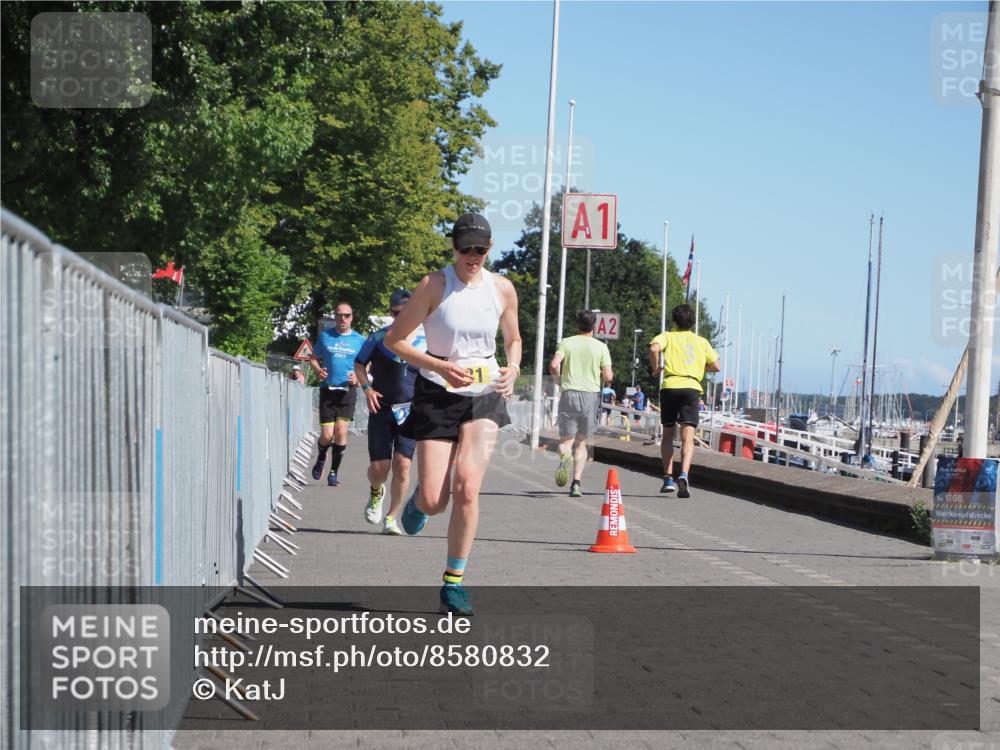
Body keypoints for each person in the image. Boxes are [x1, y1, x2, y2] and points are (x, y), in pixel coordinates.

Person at [385, 212, 521, 617]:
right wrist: (440, 366)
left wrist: (512, 369)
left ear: (489, 249)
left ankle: (453, 583)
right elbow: (396, 340)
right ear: (454, 247)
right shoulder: (434, 285)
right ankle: (418, 505)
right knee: (433, 498)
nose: (473, 257)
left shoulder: (502, 289)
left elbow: (513, 340)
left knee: (466, 487)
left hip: (485, 394)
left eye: (481, 250)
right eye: (466, 249)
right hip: (437, 390)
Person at [353, 289, 426, 534]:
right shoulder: (379, 338)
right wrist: (367, 389)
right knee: (379, 469)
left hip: (410, 412)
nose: (403, 315)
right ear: (391, 312)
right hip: (381, 409)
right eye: (397, 312)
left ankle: (392, 518)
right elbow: (359, 364)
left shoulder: (427, 341)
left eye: (407, 310)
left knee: (403, 465)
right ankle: (376, 492)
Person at [648, 303, 720, 498]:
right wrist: (698, 368)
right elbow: (716, 365)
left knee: (668, 434)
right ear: (692, 322)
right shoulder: (701, 341)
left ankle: (668, 478)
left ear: (674, 321)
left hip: (670, 386)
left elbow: (654, 348)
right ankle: (684, 474)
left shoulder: (668, 336)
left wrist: (656, 369)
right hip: (691, 387)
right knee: (688, 435)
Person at [549, 310, 613, 497]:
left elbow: (554, 364)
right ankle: (576, 483)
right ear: (594, 326)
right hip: (590, 396)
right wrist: (601, 375)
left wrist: (558, 381)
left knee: (565, 442)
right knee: (582, 443)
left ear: (577, 325)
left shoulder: (566, 343)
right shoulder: (601, 347)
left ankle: (565, 456)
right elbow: (608, 376)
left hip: (569, 393)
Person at [309, 302, 366, 486]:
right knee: (327, 435)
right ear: (335, 316)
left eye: (347, 315)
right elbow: (313, 358)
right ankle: (321, 456)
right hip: (328, 390)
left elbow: (367, 364)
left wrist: (357, 379)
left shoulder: (359, 340)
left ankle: (333, 472)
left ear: (352, 317)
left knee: (341, 432)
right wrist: (318, 371)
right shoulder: (326, 336)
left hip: (348, 392)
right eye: (340, 315)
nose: (343, 318)